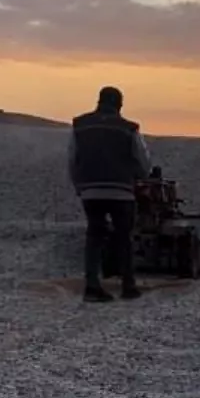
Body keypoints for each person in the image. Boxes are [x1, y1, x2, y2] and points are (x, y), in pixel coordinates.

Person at [67, 85, 152, 302]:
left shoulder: (80, 125)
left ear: (99, 101)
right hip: (121, 191)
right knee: (124, 238)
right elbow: (142, 161)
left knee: (94, 236)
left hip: (91, 191)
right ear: (119, 104)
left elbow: (72, 159)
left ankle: (92, 288)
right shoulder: (129, 128)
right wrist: (140, 177)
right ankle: (128, 287)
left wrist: (79, 185)